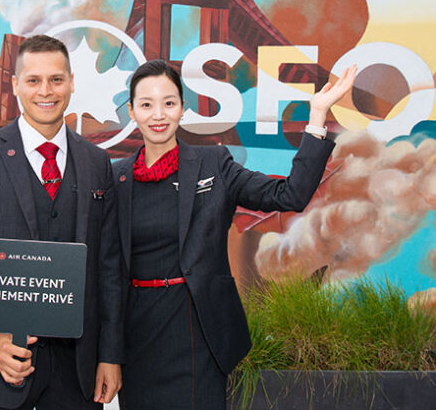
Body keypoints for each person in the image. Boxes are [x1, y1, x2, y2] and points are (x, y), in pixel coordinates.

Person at [112, 60, 357, 409]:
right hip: (137, 335)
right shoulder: (116, 178)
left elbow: (290, 195)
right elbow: (104, 268)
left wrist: (317, 115)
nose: (158, 114)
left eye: (168, 102)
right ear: (132, 112)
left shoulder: (214, 164)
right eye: (146, 104)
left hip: (199, 333)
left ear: (182, 107)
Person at [0, 35, 124, 409]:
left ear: (71, 82)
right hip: (3, 368)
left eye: (56, 80)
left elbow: (110, 271)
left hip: (79, 370)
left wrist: (110, 354)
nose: (46, 91)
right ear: (16, 84)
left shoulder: (97, 163)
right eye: (34, 80)